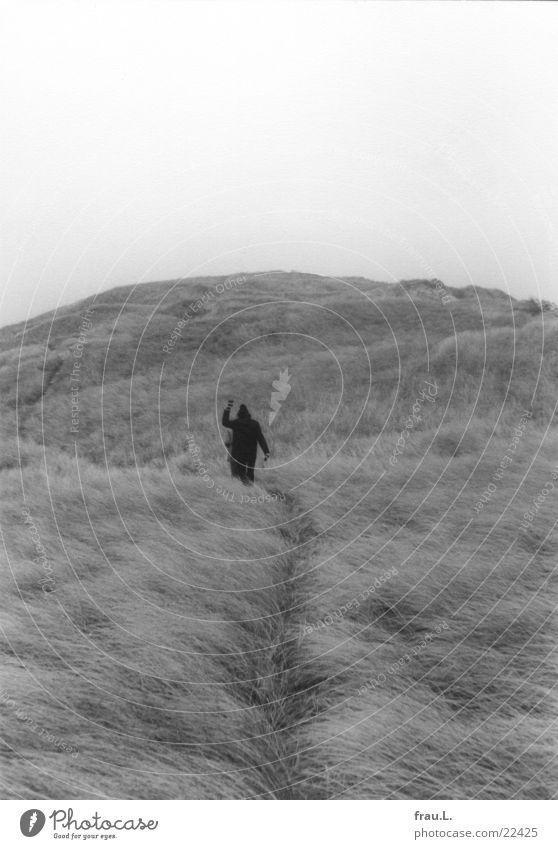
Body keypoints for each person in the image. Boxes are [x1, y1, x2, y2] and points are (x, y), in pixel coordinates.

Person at [222, 400, 270, 484]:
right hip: (251, 453)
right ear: (248, 414)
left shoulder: (236, 423)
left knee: (241, 472)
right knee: (250, 472)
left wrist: (227, 409)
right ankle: (251, 487)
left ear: (239, 414)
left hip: (238, 453)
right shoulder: (255, 424)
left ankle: (244, 488)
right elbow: (260, 438)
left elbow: (225, 422)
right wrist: (266, 451)